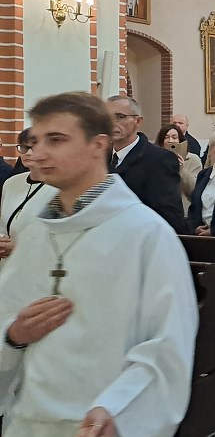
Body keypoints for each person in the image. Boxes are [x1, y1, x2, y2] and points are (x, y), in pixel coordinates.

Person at [0, 92, 197, 436]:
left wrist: (118, 408)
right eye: (34, 141)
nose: (39, 153)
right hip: (27, 420)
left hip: (101, 422)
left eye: (56, 140)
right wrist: (13, 335)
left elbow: (168, 343)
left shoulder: (146, 234)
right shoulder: (35, 232)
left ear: (98, 144)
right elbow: (7, 314)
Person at [105, 96, 188, 234]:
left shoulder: (160, 159)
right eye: (107, 117)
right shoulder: (100, 157)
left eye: (120, 117)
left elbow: (170, 216)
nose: (112, 123)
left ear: (138, 121)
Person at [0, 129, 57, 267]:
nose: (28, 153)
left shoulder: (58, 187)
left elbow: (57, 238)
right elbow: (3, 224)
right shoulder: (11, 182)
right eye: (24, 147)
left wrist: (17, 248)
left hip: (38, 266)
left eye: (33, 147)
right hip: (7, 266)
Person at [154, 123, 203, 213]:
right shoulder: (154, 159)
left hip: (183, 211)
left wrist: (182, 169)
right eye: (166, 137)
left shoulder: (193, 159)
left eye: (174, 137)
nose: (170, 141)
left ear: (180, 140)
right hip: (159, 209)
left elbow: (194, 190)